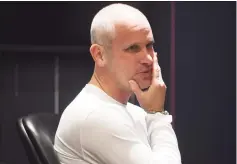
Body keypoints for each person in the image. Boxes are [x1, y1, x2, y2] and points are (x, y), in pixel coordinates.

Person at [54, 3, 181, 164]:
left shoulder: (134, 112)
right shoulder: (94, 116)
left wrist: (153, 114)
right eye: (133, 48)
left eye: (149, 45)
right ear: (99, 55)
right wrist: (157, 114)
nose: (148, 59)